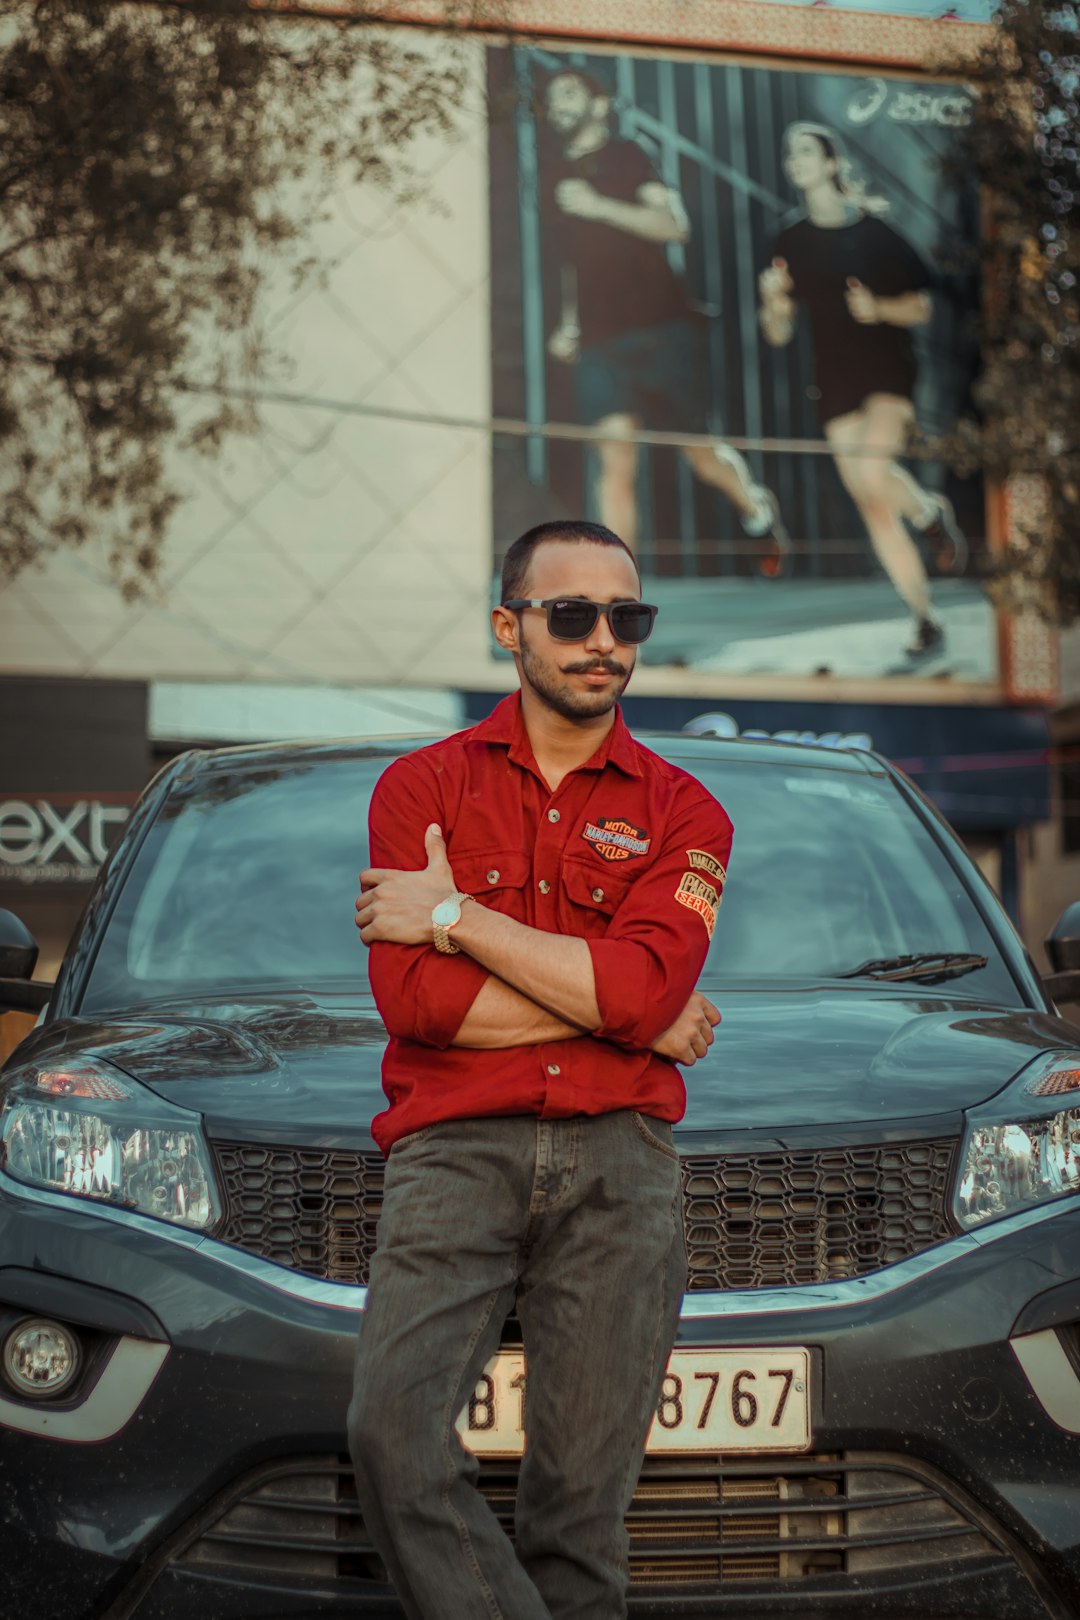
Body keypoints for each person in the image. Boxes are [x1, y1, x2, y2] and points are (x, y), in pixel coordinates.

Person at [349, 519, 732, 1620]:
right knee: (391, 1439)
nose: (603, 640)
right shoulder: (419, 790)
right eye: (572, 616)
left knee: (578, 1518)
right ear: (509, 627)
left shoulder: (688, 812)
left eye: (628, 617)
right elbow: (420, 1006)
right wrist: (623, 1011)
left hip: (624, 1166)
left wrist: (457, 915)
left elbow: (649, 992)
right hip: (453, 1154)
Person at [542, 68, 788, 573]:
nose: (557, 104)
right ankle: (616, 590)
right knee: (613, 465)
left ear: (599, 103)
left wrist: (598, 206)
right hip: (599, 340)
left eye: (569, 92)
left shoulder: (630, 154)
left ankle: (756, 509)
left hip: (662, 329)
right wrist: (568, 322)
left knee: (699, 455)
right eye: (551, 99)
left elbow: (673, 226)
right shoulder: (553, 176)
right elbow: (573, 261)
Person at [757, 120, 968, 660]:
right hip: (832, 379)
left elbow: (921, 307)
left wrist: (877, 309)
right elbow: (778, 334)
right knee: (874, 504)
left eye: (806, 151)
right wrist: (774, 303)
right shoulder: (790, 239)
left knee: (874, 472)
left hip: (887, 371)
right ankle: (925, 616)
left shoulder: (875, 232)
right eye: (790, 153)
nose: (795, 160)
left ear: (831, 162)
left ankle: (927, 514)